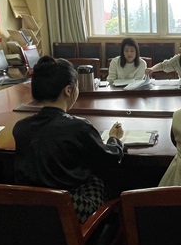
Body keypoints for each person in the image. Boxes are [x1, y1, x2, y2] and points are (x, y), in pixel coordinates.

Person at [13, 56, 125, 222]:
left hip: (34, 209)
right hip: (70, 210)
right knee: (110, 180)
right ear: (68, 90)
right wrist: (114, 139)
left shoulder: (21, 127)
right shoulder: (78, 127)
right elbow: (111, 158)